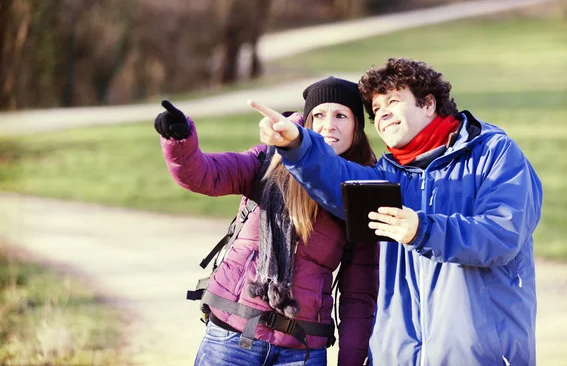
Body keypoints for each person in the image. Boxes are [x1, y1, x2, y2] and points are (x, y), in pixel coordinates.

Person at [250, 58, 543, 365]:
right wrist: (298, 145)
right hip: (398, 356)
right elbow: (335, 178)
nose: (382, 114)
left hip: (479, 355)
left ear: (428, 104)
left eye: (393, 101)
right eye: (376, 109)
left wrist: (423, 230)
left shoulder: (495, 154)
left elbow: (501, 235)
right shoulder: (386, 174)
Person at [154, 76, 379, 366]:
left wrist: (351, 361)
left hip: (302, 351)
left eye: (341, 116)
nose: (328, 125)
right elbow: (205, 175)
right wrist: (180, 140)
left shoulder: (364, 190)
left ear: (357, 128)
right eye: (319, 115)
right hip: (232, 338)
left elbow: (359, 295)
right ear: (306, 122)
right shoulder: (269, 158)